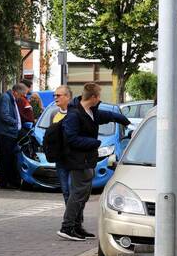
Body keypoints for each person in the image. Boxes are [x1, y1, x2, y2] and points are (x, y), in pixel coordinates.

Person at [58, 83, 130, 241]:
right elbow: (71, 139)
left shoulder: (90, 111)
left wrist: (122, 119)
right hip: (77, 160)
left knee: (83, 194)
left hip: (87, 160)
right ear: (93, 97)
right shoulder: (74, 115)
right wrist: (95, 143)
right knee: (77, 194)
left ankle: (77, 227)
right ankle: (67, 226)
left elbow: (105, 116)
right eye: (99, 96)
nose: (100, 99)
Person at [0, 83, 27, 189]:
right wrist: (15, 122)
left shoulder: (11, 98)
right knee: (6, 158)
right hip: (5, 133)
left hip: (9, 132)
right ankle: (5, 182)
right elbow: (4, 115)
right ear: (16, 92)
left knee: (9, 157)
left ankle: (10, 181)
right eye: (22, 94)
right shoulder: (6, 98)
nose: (22, 97)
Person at [43, 86, 73, 204]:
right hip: (60, 159)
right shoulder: (54, 114)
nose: (55, 98)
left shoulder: (75, 113)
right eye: (54, 95)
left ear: (68, 97)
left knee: (73, 190)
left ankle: (75, 216)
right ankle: (70, 218)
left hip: (73, 158)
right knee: (65, 190)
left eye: (58, 95)